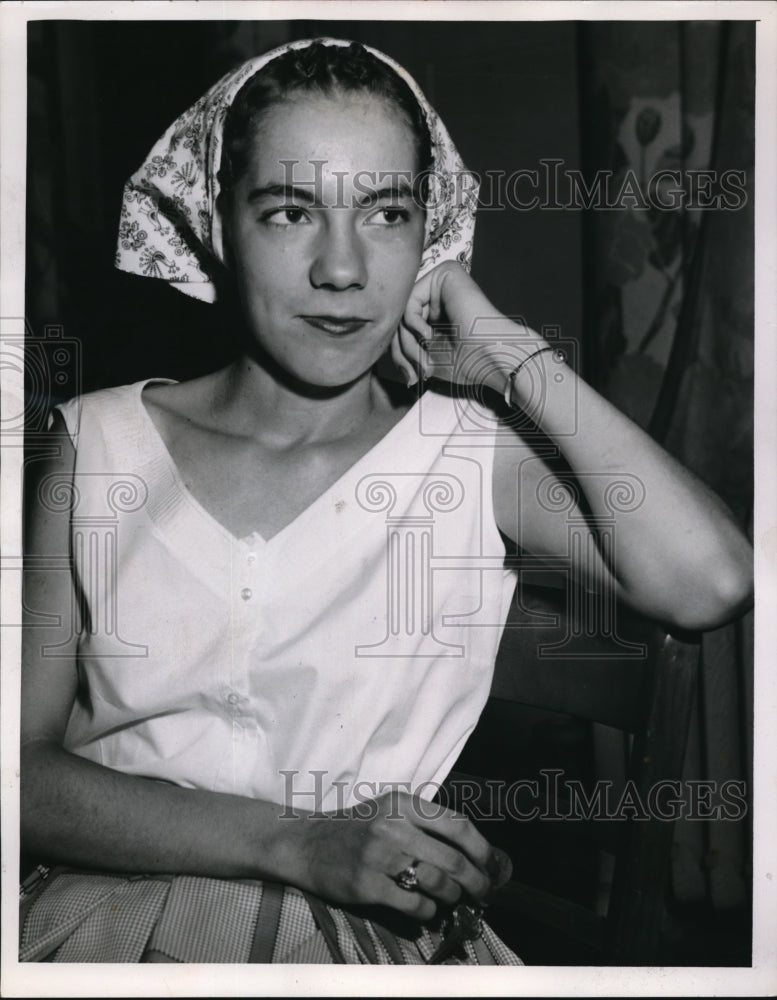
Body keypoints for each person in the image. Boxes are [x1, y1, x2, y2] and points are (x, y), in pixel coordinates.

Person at [19, 37, 753, 965]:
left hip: (362, 943)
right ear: (216, 224)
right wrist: (291, 840)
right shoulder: (95, 442)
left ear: (430, 235)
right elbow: (17, 772)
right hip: (95, 923)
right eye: (290, 211)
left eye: (387, 213)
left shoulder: (464, 453)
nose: (342, 268)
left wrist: (507, 349)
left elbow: (713, 579)